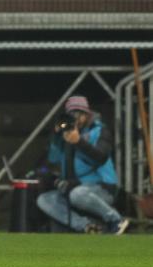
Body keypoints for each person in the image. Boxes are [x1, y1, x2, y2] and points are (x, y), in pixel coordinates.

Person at [36, 95, 129, 235]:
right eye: (71, 115)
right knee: (44, 200)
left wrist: (79, 142)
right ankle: (87, 226)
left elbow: (100, 157)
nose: (76, 119)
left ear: (87, 114)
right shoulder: (65, 135)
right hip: (73, 187)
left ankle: (116, 220)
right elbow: (53, 159)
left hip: (102, 187)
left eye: (79, 114)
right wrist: (55, 138)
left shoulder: (99, 130)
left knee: (77, 194)